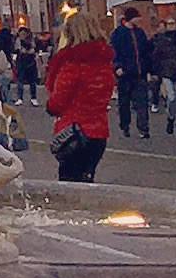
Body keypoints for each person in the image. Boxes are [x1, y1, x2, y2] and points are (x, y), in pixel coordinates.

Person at [45, 22, 116, 182]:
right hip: (99, 132)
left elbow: (58, 101)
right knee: (87, 178)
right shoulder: (104, 64)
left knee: (70, 183)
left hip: (74, 132)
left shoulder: (73, 64)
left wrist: (50, 107)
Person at [109, 11, 153, 141]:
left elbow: (145, 52)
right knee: (124, 102)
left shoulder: (140, 33)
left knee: (142, 102)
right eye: (137, 17)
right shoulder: (118, 33)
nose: (139, 20)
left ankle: (143, 128)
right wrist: (117, 66)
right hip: (125, 74)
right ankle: (125, 126)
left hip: (140, 74)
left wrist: (148, 68)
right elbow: (113, 51)